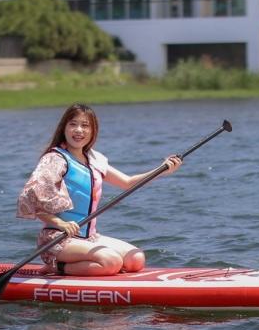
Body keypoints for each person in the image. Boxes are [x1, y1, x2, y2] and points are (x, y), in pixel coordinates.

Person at [16, 103, 182, 276]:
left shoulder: (95, 160)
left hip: (89, 238)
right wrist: (62, 224)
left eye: (85, 125)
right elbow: (30, 198)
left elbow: (128, 182)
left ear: (93, 131)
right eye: (73, 124)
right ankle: (56, 267)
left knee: (136, 259)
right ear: (64, 128)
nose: (78, 130)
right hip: (56, 239)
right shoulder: (55, 159)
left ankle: (94, 267)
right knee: (111, 262)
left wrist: (162, 170)